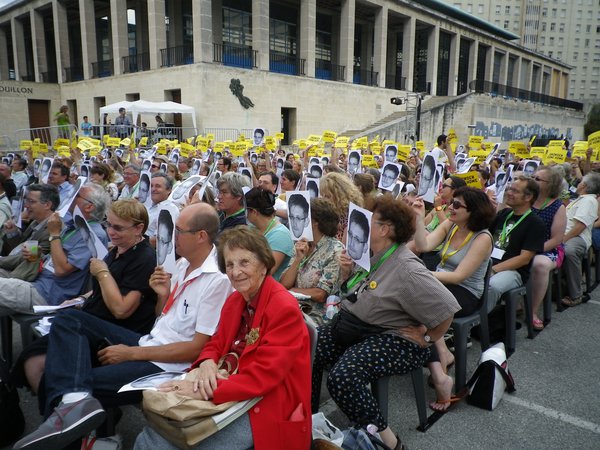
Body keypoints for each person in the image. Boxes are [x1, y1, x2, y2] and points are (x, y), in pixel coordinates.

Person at [13, 203, 234, 450]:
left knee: (65, 382)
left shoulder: (217, 280)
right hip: (150, 342)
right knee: (69, 320)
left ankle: (75, 424)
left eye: (179, 231)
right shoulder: (183, 264)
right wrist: (162, 296)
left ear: (201, 236)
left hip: (166, 365)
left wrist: (130, 353)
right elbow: (165, 319)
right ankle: (76, 407)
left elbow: (196, 349)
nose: (172, 237)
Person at [134, 226, 312, 450]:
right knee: (152, 435)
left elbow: (263, 377)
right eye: (229, 264)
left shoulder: (283, 308)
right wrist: (207, 361)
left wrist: (202, 390)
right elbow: (216, 342)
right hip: (230, 386)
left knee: (167, 442)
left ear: (264, 265)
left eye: (244, 262)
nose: (235, 272)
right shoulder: (236, 300)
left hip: (265, 403)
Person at [311, 196, 459, 450]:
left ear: (384, 229)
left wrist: (427, 338)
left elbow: (447, 307)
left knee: (343, 377)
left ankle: (388, 440)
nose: (358, 226)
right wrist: (347, 273)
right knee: (306, 346)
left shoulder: (406, 267)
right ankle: (308, 417)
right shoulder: (370, 254)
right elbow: (354, 294)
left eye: (368, 219)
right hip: (356, 327)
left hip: (393, 337)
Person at [13, 199, 158, 399]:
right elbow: (101, 291)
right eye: (108, 224)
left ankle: (70, 414)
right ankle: (64, 414)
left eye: (118, 228)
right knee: (32, 358)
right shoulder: (118, 248)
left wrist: (103, 273)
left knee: (48, 365)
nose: (111, 231)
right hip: (91, 317)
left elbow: (122, 309)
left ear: (138, 228)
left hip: (112, 330)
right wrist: (81, 297)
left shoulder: (144, 258)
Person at [412, 187, 494, 409]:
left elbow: (459, 276)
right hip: (440, 284)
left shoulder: (482, 237)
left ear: (474, 211)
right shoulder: (451, 224)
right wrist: (419, 219)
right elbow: (423, 245)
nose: (450, 207)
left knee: (415, 306)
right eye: (452, 202)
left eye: (457, 205)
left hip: (466, 292)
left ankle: (440, 365)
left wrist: (424, 275)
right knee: (412, 303)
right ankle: (443, 358)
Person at [0, 183, 109, 316]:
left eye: (76, 196)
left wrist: (55, 235)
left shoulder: (93, 234)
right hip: (35, 281)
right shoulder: (73, 227)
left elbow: (61, 270)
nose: (70, 197)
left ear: (89, 206)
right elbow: (55, 259)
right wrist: (41, 254)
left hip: (46, 294)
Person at [280, 198, 344, 324]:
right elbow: (284, 284)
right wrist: (298, 260)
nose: (295, 221)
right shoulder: (302, 244)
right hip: (292, 305)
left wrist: (290, 291)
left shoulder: (335, 250)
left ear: (314, 222)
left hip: (314, 314)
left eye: (300, 217)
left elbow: (320, 294)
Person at [488, 176, 546, 306]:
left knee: (492, 286)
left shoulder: (535, 223)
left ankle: (478, 321)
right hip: (489, 262)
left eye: (514, 191)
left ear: (528, 197)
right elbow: (486, 238)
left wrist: (492, 270)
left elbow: (524, 259)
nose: (508, 192)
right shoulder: (504, 214)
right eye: (509, 189)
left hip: (513, 271)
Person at [529, 167, 567, 329]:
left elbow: (557, 239)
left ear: (550, 185)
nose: (532, 180)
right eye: (533, 177)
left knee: (540, 264)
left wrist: (532, 250)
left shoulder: (558, 207)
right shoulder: (526, 199)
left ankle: (532, 311)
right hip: (523, 246)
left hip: (548, 250)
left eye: (538, 179)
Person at [0, 184, 59, 280]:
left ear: (47, 205)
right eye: (26, 200)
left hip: (16, 277)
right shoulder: (36, 222)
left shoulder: (52, 229)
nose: (26, 205)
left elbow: (26, 258)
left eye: (31, 202)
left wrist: (1, 260)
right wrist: (12, 232)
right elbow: (20, 248)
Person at [561, 173, 600, 306]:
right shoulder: (582, 199)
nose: (578, 183)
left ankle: (576, 295)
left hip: (577, 237)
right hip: (568, 234)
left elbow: (580, 226)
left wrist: (563, 240)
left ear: (583, 185)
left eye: (580, 182)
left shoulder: (589, 200)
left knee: (569, 250)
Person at [245, 188, 294, 281]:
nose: (244, 214)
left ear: (254, 212)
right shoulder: (252, 228)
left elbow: (265, 271)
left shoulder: (280, 235)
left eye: (246, 210)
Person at [320, 172, 364, 242]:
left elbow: (343, 247)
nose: (324, 200)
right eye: (322, 196)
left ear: (339, 196)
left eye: (328, 196)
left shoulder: (351, 217)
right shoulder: (326, 212)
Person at [145, 173, 179, 246]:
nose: (153, 189)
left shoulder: (170, 210)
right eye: (151, 186)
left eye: (158, 186)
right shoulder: (147, 205)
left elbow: (159, 240)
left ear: (169, 190)